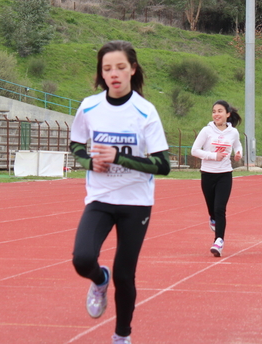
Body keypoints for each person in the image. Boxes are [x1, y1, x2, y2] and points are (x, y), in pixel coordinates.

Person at [70, 40, 170, 344]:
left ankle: (121, 336)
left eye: (120, 68)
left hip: (136, 202)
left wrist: (118, 158)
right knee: (82, 259)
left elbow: (163, 164)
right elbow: (75, 145)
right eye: (107, 68)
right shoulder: (89, 106)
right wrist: (89, 162)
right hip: (100, 198)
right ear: (101, 73)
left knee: (125, 275)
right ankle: (99, 280)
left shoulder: (144, 112)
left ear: (132, 70)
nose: (113, 74)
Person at [191, 100, 242, 257]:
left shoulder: (233, 133)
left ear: (228, 114)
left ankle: (218, 240)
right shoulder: (206, 131)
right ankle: (212, 218)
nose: (216, 114)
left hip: (225, 174)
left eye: (220, 111)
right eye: (214, 111)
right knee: (212, 209)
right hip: (207, 174)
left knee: (220, 208)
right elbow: (195, 150)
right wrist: (213, 156)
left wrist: (239, 153)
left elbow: (238, 145)